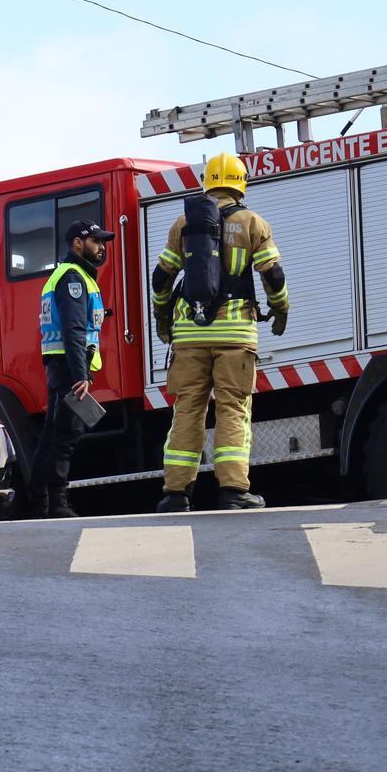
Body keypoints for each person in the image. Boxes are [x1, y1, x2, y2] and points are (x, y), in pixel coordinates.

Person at [149, 152, 289, 512]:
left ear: (208, 182)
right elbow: (272, 274)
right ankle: (233, 491)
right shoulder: (253, 223)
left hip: (189, 333)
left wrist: (163, 318)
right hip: (235, 334)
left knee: (188, 410)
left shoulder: (184, 224)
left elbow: (161, 278)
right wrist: (280, 307)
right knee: (232, 409)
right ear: (241, 183)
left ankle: (176, 494)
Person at [30, 219, 115, 518]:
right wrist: (81, 374)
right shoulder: (73, 278)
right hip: (69, 367)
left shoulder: (70, 275)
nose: (101, 247)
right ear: (77, 244)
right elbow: (74, 329)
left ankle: (40, 503)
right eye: (95, 242)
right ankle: (57, 504)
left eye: (103, 242)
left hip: (63, 365)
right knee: (64, 436)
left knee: (53, 434)